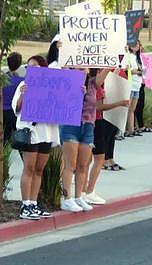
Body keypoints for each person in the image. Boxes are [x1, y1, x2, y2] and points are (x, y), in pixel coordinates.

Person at [12, 55, 57, 220]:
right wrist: (23, 95)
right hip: (31, 132)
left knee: (39, 170)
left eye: (34, 66)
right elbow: (16, 107)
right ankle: (25, 204)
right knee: (29, 168)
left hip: (47, 132)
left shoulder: (52, 86)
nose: (30, 69)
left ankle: (33, 202)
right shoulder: (23, 85)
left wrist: (77, 91)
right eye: (28, 66)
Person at [60, 68, 110, 212]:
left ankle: (78, 196)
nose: (83, 70)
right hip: (71, 125)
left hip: (88, 125)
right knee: (71, 164)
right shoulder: (68, 82)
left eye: (85, 68)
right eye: (79, 68)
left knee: (83, 165)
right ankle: (67, 198)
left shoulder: (93, 83)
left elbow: (105, 72)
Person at [85, 69, 129, 205]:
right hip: (95, 122)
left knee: (89, 159)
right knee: (96, 159)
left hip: (94, 122)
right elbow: (99, 107)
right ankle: (88, 191)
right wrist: (119, 103)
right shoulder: (94, 85)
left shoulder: (93, 84)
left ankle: (85, 191)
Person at [3, 52, 23, 143]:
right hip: (16, 113)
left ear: (7, 63)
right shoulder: (22, 82)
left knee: (4, 141)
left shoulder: (2, 80)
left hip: (3, 113)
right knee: (18, 142)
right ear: (19, 65)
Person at [125, 42, 144, 138]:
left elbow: (142, 70)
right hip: (130, 84)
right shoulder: (127, 56)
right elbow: (127, 70)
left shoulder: (138, 58)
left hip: (137, 84)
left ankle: (131, 130)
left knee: (132, 109)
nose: (137, 46)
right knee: (127, 108)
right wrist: (136, 71)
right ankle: (124, 130)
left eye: (138, 44)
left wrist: (140, 71)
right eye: (135, 44)